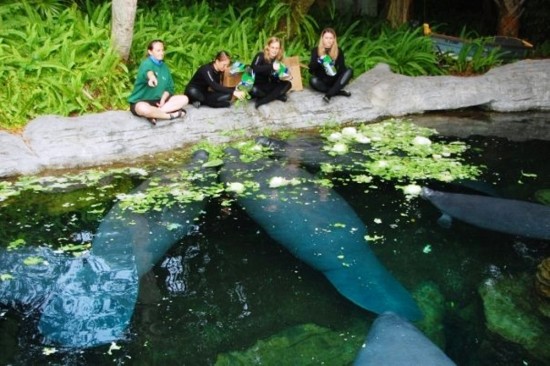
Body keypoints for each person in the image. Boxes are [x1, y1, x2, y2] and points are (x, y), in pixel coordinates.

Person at [128, 39, 188, 125]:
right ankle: (171, 115)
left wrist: (163, 100)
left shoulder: (164, 67)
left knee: (184, 99)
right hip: (142, 101)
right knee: (143, 109)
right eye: (158, 50)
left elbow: (169, 88)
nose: (161, 53)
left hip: (159, 102)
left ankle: (155, 114)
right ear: (150, 52)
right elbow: (148, 72)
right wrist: (152, 78)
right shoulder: (146, 63)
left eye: (162, 50)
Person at [308, 28, 353, 104]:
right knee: (313, 80)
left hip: (335, 79)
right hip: (323, 80)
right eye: (326, 38)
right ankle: (338, 91)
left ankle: (329, 95)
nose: (328, 40)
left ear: (334, 40)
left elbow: (342, 69)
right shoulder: (316, 50)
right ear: (322, 39)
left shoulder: (338, 50)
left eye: (331, 38)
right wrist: (319, 61)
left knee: (349, 71)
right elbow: (311, 70)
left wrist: (333, 65)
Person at [250, 37, 292, 109]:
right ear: (268, 47)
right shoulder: (260, 55)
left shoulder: (277, 59)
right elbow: (253, 69)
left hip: (266, 84)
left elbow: (273, 78)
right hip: (256, 84)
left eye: (277, 48)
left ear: (279, 49)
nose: (274, 50)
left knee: (288, 84)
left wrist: (283, 76)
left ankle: (265, 99)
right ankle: (276, 96)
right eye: (272, 47)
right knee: (254, 90)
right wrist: (271, 66)